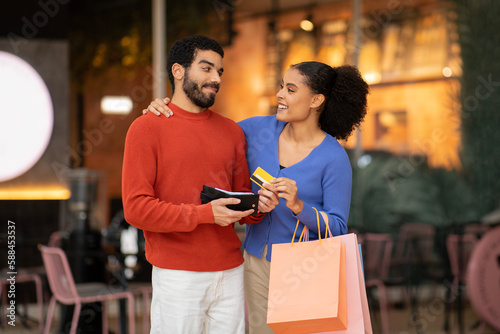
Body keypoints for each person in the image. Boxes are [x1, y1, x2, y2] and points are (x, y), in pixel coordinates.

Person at [146, 61, 369, 333]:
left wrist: (300, 207)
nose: (280, 95)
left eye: (290, 89)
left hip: (304, 270)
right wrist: (165, 108)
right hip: (255, 263)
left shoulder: (333, 157)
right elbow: (204, 127)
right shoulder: (257, 130)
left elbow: (338, 227)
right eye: (281, 87)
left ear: (316, 100)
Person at [122, 34, 278, 334]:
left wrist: (259, 206)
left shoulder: (232, 131)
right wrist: (205, 215)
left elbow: (239, 200)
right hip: (178, 277)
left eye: (219, 71)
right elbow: (136, 209)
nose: (216, 78)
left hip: (231, 272)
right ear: (178, 71)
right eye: (206, 68)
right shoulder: (146, 128)